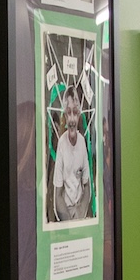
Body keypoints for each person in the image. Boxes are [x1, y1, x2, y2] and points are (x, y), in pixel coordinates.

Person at [50, 93, 92, 221]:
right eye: (69, 113)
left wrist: (80, 211)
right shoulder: (62, 144)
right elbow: (57, 196)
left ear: (79, 114)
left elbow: (87, 186)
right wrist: (69, 222)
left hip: (79, 211)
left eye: (75, 112)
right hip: (65, 211)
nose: (72, 119)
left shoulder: (82, 142)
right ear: (65, 116)